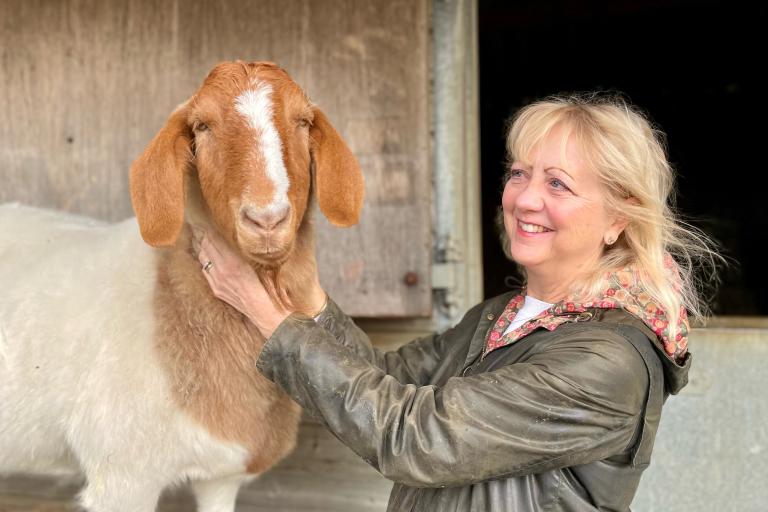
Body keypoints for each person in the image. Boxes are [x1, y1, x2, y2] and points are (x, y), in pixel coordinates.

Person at [196, 93, 720, 511]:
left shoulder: (607, 361)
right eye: (519, 173)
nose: (525, 198)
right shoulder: (503, 315)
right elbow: (385, 378)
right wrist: (309, 301)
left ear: (618, 219)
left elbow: (411, 435)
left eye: (557, 184)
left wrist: (267, 315)